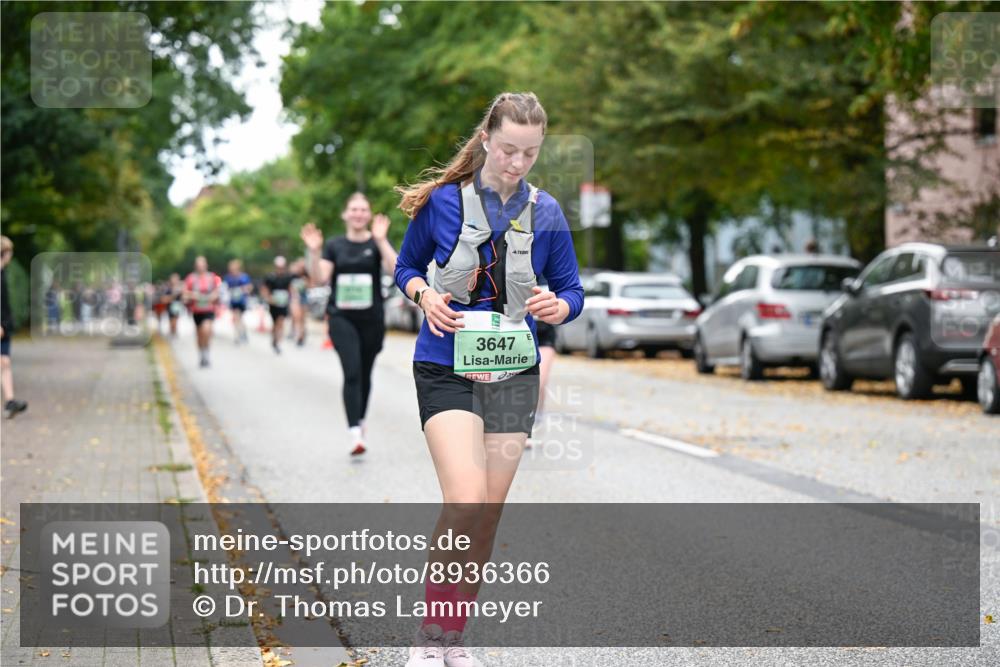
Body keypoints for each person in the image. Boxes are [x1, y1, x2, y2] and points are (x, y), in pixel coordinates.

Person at [394, 92, 583, 666]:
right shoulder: (443, 204)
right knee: (465, 501)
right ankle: (428, 637)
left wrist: (559, 307)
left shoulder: (546, 212)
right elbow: (405, 268)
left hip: (512, 372)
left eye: (529, 153)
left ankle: (453, 638)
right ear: (485, 140)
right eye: (507, 150)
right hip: (445, 366)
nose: (517, 163)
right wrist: (424, 295)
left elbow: (572, 291)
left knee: (489, 513)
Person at [301, 194, 398, 456]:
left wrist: (381, 240)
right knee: (352, 371)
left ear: (369, 215)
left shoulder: (376, 243)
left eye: (363, 209)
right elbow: (319, 278)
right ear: (345, 214)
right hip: (342, 318)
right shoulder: (334, 245)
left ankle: (361, 420)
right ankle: (354, 432)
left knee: (365, 373)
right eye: (353, 209)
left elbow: (395, 270)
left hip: (372, 319)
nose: (358, 213)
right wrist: (314, 251)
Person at [1, 236, 27, 419]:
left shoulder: (3, 272)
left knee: (5, 362)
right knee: (3, 362)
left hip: (5, 326)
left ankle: (10, 401)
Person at [183, 256, 221, 368]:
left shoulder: (212, 277)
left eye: (202, 264)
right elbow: (185, 293)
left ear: (206, 265)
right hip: (197, 310)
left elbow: (217, 291)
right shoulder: (191, 278)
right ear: (195, 266)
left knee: (207, 330)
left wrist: (210, 297)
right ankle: (202, 354)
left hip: (209, 310)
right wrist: (194, 296)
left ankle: (207, 353)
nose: (200, 267)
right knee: (200, 334)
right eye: (198, 265)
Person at [261, 256, 295, 355]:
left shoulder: (287, 277)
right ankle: (274, 338)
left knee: (281, 321)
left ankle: (278, 342)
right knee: (275, 322)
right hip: (273, 303)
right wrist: (268, 298)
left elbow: (290, 289)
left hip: (283, 302)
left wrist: (291, 299)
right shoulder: (270, 277)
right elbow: (264, 289)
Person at [223, 259, 252, 344]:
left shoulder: (244, 277)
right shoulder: (228, 278)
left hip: (242, 300)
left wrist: (243, 290)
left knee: (239, 317)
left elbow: (249, 287)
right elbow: (225, 288)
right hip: (233, 301)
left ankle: (241, 333)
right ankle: (238, 334)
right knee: (236, 317)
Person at [289, 258, 309, 347]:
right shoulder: (292, 276)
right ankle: (298, 335)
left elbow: (311, 285)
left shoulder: (306, 275)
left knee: (302, 319)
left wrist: (306, 282)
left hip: (303, 298)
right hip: (294, 298)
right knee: (296, 317)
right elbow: (289, 287)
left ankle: (302, 335)